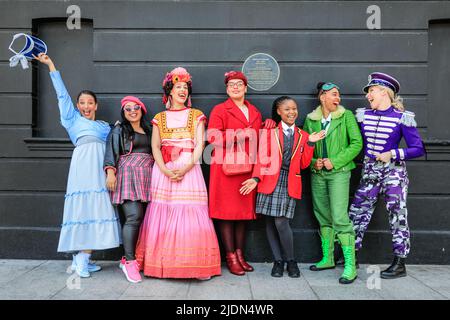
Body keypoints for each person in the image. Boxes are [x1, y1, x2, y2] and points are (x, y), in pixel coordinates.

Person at [34, 53, 121, 278]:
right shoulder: (72, 119)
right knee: (84, 208)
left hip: (99, 169)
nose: (86, 106)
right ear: (77, 105)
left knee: (97, 208)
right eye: (82, 102)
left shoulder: (104, 126)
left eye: (89, 102)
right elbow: (61, 95)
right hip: (83, 169)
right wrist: (51, 65)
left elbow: (116, 140)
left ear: (96, 105)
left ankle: (83, 258)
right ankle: (81, 259)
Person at [135, 67, 221, 280]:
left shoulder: (196, 115)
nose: (182, 90)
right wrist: (164, 169)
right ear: (170, 91)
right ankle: (162, 264)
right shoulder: (159, 118)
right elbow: (155, 146)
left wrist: (185, 168)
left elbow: (201, 145)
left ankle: (194, 265)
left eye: (185, 87)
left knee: (190, 210)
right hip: (163, 169)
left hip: (189, 167)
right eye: (178, 87)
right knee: (162, 211)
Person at [349, 72, 425, 279]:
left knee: (397, 215)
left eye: (371, 91)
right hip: (369, 171)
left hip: (394, 173)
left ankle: (400, 263)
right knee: (357, 213)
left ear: (384, 92)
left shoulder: (402, 118)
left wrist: (393, 153)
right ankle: (351, 258)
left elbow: (418, 149)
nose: (367, 96)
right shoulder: (363, 116)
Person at [240, 96, 324, 278]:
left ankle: (291, 261)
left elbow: (303, 164)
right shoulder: (269, 133)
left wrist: (310, 144)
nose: (291, 112)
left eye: (294, 108)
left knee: (281, 221)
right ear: (278, 111)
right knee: (270, 221)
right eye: (286, 109)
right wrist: (255, 178)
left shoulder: (303, 136)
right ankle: (278, 261)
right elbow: (262, 158)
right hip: (269, 179)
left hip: (289, 181)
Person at [207, 71, 276, 276]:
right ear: (227, 90)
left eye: (239, 84)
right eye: (231, 85)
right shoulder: (220, 109)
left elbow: (257, 136)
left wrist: (267, 124)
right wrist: (239, 135)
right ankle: (230, 257)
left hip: (247, 169)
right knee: (227, 215)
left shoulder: (254, 111)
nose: (235, 87)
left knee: (242, 216)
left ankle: (240, 254)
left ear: (246, 88)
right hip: (225, 170)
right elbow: (212, 137)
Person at [303, 82, 363, 284]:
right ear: (322, 97)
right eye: (334, 95)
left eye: (338, 95)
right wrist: (314, 162)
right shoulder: (311, 120)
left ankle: (350, 267)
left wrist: (334, 161)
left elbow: (357, 144)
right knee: (322, 215)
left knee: (340, 217)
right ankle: (327, 259)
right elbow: (305, 146)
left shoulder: (346, 116)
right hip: (318, 174)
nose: (338, 99)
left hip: (339, 173)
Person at [104, 96, 154, 283]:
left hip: (148, 176)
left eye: (136, 108)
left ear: (142, 109)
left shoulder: (149, 129)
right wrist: (110, 172)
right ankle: (129, 261)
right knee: (133, 217)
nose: (132, 111)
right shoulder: (119, 129)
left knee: (145, 219)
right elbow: (111, 151)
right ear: (123, 113)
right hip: (128, 175)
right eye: (128, 109)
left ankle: (133, 257)